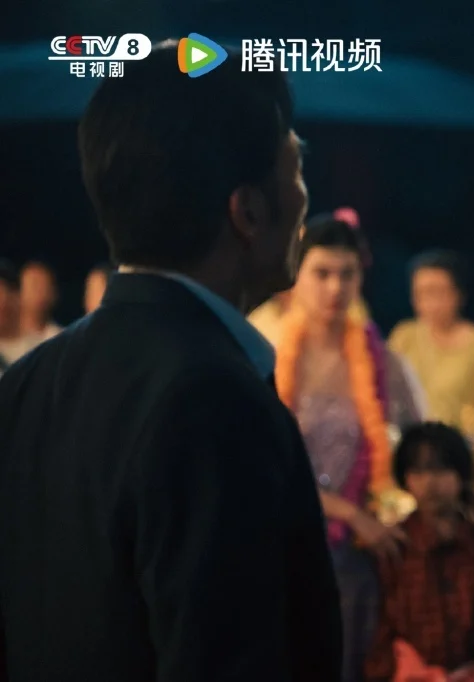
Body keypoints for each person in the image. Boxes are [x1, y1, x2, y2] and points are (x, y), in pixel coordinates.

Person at [0, 44, 342, 682]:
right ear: (247, 211)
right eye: (295, 169)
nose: (305, 199)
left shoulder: (25, 385)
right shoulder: (215, 402)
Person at [273, 212, 425, 681]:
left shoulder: (384, 362)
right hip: (282, 543)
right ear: (296, 276)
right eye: (321, 273)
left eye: (347, 274)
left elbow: (415, 448)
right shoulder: (269, 356)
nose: (335, 288)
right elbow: (268, 467)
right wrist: (348, 513)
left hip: (358, 554)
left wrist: (386, 509)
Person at [364, 422, 474, 682]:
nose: (430, 482)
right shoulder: (396, 545)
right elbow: (380, 624)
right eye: (418, 471)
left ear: (460, 474)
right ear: (405, 478)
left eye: (440, 469)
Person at [388, 250, 474, 455]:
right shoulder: (404, 336)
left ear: (459, 294)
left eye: (438, 292)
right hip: (409, 449)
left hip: (458, 452)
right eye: (422, 293)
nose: (430, 302)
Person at [19, 261, 62, 340]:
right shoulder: (5, 336)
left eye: (45, 286)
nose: (40, 291)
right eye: (34, 285)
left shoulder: (63, 338)